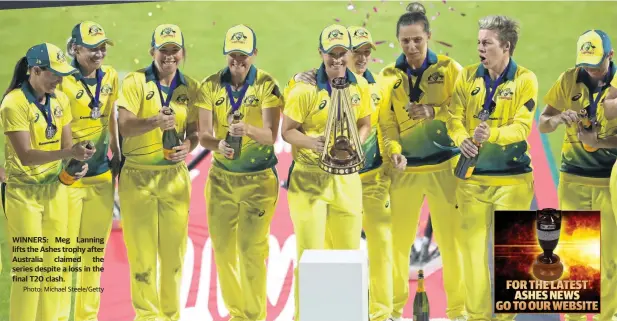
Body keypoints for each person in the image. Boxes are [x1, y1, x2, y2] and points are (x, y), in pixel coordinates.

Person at [288, 25, 395, 321]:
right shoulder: (304, 88)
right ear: (322, 54)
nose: (338, 60)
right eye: (331, 54)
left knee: (350, 259)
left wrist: (354, 147)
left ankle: (359, 315)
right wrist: (314, 143)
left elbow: (366, 123)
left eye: (342, 54)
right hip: (309, 179)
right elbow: (286, 131)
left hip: (349, 180)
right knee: (310, 257)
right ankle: (306, 317)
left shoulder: (362, 86)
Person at [447, 16, 538, 321]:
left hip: (512, 181)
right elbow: (453, 117)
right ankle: (477, 317)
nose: (480, 49)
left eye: (487, 43)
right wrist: (461, 139)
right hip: (472, 181)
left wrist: (493, 135)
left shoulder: (525, 79)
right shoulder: (468, 77)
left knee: (510, 256)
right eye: (478, 42)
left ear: (506, 46)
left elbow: (522, 128)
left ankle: (504, 319)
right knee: (472, 254)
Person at [378, 8, 465, 321]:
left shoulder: (450, 69)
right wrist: (394, 151)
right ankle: (390, 311)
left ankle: (458, 311)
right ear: (398, 41)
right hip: (407, 171)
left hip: (446, 168)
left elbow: (463, 111)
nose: (411, 46)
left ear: (428, 36)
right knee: (397, 246)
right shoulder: (388, 76)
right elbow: (386, 124)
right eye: (405, 41)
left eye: (417, 39)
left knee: (453, 245)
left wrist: (435, 113)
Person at [195, 24, 283, 321]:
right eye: (232, 55)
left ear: (254, 54)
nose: (237, 61)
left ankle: (254, 316)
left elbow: (272, 136)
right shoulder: (209, 85)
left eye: (243, 55)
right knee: (222, 250)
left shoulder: (267, 85)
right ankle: (237, 313)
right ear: (226, 54)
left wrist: (247, 129)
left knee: (250, 250)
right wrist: (218, 144)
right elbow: (202, 135)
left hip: (259, 181)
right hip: (221, 179)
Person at [0, 43, 93, 321]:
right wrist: (68, 152)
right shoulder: (13, 103)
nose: (59, 80)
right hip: (23, 196)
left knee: (55, 270)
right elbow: (27, 156)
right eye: (54, 74)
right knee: (30, 273)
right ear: (36, 70)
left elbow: (66, 146)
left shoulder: (60, 99)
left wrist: (77, 162)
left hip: (56, 193)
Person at [116, 24, 200, 321]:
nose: (169, 56)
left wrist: (188, 145)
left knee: (173, 257)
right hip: (138, 178)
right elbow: (125, 126)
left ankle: (171, 315)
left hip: (174, 178)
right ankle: (147, 318)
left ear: (182, 53)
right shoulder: (136, 82)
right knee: (142, 258)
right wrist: (154, 122)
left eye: (174, 50)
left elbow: (195, 132)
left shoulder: (190, 87)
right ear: (152, 51)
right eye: (163, 50)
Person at [543, 30, 617, 321]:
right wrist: (559, 118)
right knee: (576, 255)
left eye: (596, 64)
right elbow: (543, 124)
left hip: (607, 181)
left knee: (608, 258)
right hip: (572, 178)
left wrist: (598, 142)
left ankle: (607, 316)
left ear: (610, 56)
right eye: (585, 62)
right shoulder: (569, 79)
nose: (589, 70)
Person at [57, 21, 120, 321]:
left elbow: (110, 118)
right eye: (92, 47)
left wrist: (117, 153)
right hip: (66, 181)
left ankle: (87, 318)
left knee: (92, 258)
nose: (99, 53)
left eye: (102, 46)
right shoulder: (61, 80)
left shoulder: (110, 76)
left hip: (101, 178)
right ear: (74, 48)